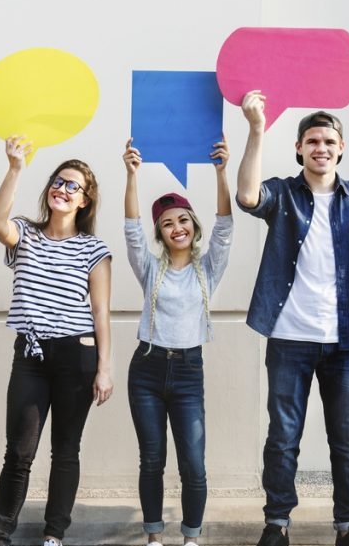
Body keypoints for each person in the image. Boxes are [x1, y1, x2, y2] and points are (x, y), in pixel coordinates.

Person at [236, 91, 349, 546]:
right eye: (311, 141)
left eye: (328, 140)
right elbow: (247, 195)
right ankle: (276, 523)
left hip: (346, 341)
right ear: (299, 148)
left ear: (341, 147)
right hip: (289, 338)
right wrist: (256, 128)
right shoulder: (284, 194)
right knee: (283, 437)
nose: (320, 147)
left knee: (347, 439)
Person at [0, 135, 114, 546]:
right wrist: (15, 168)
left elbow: (101, 313)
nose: (62, 189)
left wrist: (105, 368)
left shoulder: (94, 249)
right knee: (19, 453)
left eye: (73, 185)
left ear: (84, 201)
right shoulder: (25, 232)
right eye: (58, 182)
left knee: (66, 451)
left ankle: (54, 535)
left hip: (77, 356)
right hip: (31, 353)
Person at [121, 137, 233, 546]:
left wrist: (222, 173)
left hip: (188, 371)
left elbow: (225, 229)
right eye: (167, 223)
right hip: (147, 369)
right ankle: (154, 537)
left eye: (183, 220)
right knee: (152, 459)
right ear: (162, 233)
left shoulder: (207, 269)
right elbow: (132, 232)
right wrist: (131, 176)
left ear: (193, 225)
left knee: (194, 463)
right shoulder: (151, 269)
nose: (177, 228)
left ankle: (190, 537)